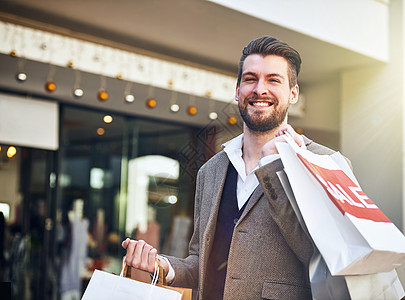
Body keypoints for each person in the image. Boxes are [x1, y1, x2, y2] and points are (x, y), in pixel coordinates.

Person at [122, 36, 337, 299]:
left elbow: (323, 258)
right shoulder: (210, 171)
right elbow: (201, 261)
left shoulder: (324, 163)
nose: (260, 89)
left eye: (273, 80)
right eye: (250, 79)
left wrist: (272, 166)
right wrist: (163, 266)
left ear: (293, 93)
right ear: (237, 90)